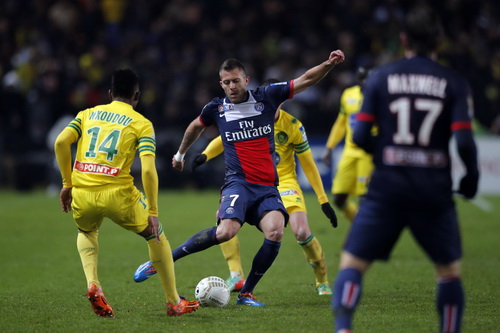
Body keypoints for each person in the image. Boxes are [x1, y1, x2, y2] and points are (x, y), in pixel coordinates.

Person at [137, 52, 344, 307]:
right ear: (220, 84)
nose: (231, 87)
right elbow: (195, 127)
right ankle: (161, 261)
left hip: (268, 188)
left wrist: (328, 64)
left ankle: (246, 292)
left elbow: (305, 79)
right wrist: (181, 154)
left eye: (235, 81)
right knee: (226, 232)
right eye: (226, 82)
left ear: (246, 79)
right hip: (239, 184)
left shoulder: (267, 97)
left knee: (276, 230)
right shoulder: (217, 108)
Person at [331, 6, 479, 333]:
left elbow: (358, 135)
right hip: (433, 190)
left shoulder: (381, 78)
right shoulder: (452, 82)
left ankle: (343, 328)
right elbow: (465, 142)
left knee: (352, 264)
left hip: (387, 187)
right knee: (449, 271)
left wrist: (385, 153)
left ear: (403, 40)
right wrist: (471, 178)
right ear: (439, 41)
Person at [54, 68, 200, 318]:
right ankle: (174, 302)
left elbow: (60, 142)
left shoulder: (87, 114)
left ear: (110, 93)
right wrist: (152, 210)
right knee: (156, 235)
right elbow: (148, 171)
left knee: (87, 231)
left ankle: (93, 284)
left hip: (83, 192)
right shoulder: (141, 123)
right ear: (137, 95)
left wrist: (67, 183)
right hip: (118, 195)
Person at [322, 67, 373, 222]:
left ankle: (363, 233)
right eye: (362, 77)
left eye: (367, 77)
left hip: (369, 153)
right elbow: (341, 123)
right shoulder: (348, 95)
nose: (364, 81)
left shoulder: (378, 96)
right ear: (358, 79)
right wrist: (329, 147)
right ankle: (359, 224)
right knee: (338, 198)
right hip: (349, 151)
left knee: (365, 199)